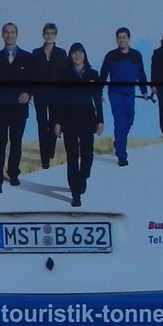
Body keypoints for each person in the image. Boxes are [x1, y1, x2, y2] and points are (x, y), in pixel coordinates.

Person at [0, 22, 33, 193]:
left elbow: (35, 80)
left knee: (16, 143)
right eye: (6, 32)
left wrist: (28, 93)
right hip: (0, 108)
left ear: (17, 35)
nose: (9, 35)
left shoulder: (27, 57)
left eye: (12, 32)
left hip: (19, 108)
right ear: (2, 35)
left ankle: (13, 173)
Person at [54, 42, 104, 207]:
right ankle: (75, 194)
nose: (77, 56)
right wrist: (58, 122)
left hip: (88, 119)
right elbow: (59, 100)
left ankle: (83, 177)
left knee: (88, 154)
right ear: (70, 55)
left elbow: (98, 99)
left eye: (80, 52)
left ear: (84, 54)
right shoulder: (64, 74)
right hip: (69, 119)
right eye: (74, 53)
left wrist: (100, 120)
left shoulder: (92, 74)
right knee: (73, 157)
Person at [98, 26, 149, 167]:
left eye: (124, 37)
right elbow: (103, 74)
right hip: (115, 94)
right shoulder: (111, 55)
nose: (121, 40)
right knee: (120, 123)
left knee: (129, 120)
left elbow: (141, 74)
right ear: (116, 39)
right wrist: (99, 92)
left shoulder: (136, 55)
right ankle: (122, 155)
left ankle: (118, 142)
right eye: (119, 38)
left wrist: (144, 90)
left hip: (130, 94)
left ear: (129, 39)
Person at [28, 21, 69, 169]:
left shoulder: (62, 53)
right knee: (41, 123)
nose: (49, 36)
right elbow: (31, 74)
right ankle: (44, 157)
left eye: (52, 33)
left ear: (55, 35)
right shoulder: (35, 53)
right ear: (43, 35)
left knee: (53, 122)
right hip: (40, 93)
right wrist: (30, 92)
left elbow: (65, 74)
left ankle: (50, 150)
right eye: (47, 33)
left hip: (56, 94)